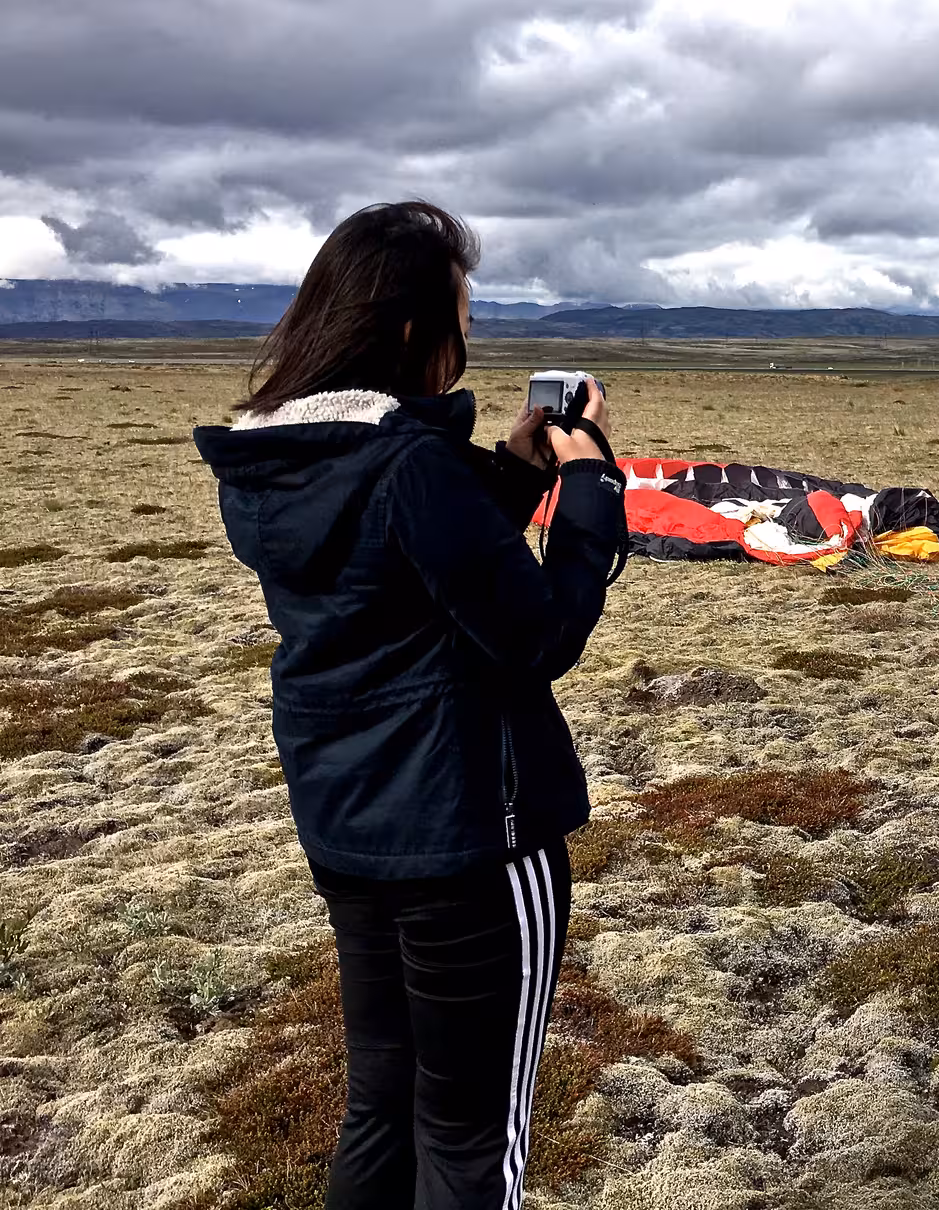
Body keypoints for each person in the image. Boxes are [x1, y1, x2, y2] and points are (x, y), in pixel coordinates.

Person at [195, 202, 628, 1209]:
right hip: (472, 841)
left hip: (352, 832)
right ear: (406, 333)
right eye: (459, 322)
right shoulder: (408, 465)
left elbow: (406, 575)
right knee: (476, 1141)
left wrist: (519, 475)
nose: (464, 345)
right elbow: (536, 635)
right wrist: (594, 488)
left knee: (383, 1109)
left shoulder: (280, 461)